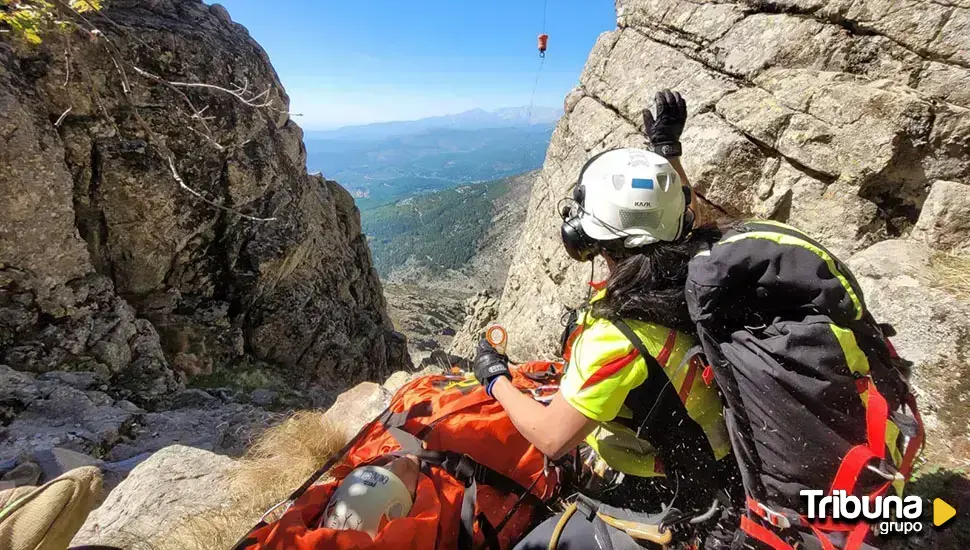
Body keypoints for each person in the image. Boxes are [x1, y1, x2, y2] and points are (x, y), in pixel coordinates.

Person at [473, 91, 744, 549]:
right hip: (721, 457)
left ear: (585, 237)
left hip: (673, 493)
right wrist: (666, 154)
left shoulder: (616, 339)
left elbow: (551, 438)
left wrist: (494, 376)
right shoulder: (701, 263)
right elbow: (684, 216)